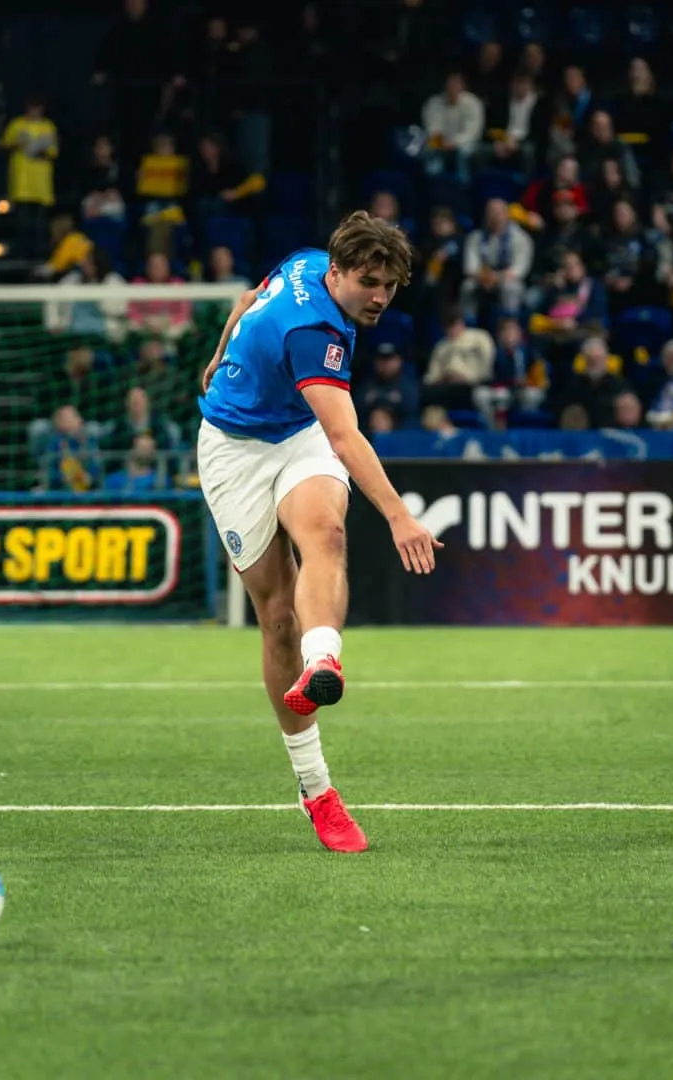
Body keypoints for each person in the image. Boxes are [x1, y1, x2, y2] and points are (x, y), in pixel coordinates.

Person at [196, 210, 441, 853]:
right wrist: (399, 516)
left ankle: (323, 659)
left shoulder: (306, 261)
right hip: (233, 451)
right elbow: (346, 436)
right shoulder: (314, 333)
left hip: (296, 434)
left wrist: (218, 355)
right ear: (338, 273)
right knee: (276, 618)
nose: (380, 298)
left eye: (390, 286)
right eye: (370, 283)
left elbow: (246, 300)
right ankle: (315, 790)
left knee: (325, 533)